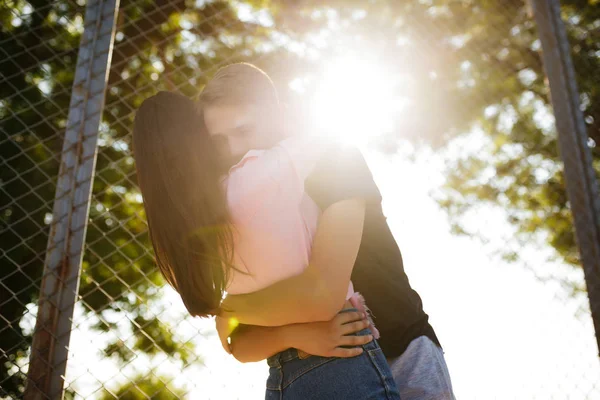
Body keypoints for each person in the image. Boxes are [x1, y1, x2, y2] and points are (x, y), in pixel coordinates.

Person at [132, 87, 400, 399]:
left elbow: (239, 346)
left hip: (282, 379)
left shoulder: (193, 236)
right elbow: (326, 137)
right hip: (341, 361)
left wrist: (235, 315)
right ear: (198, 139)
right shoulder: (256, 175)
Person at [208, 63, 455, 400]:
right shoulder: (240, 199)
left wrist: (228, 309)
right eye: (219, 141)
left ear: (278, 115)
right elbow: (241, 342)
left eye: (244, 130)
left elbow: (321, 295)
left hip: (403, 352)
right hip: (322, 369)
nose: (234, 149)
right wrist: (290, 333)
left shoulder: (334, 159)